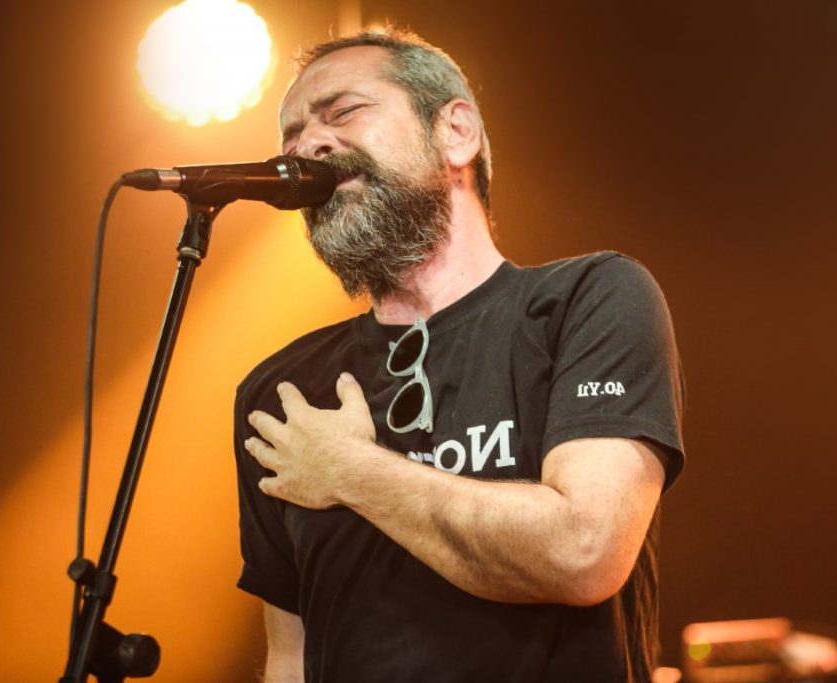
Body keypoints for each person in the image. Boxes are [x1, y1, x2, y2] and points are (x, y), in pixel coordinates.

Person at [233, 27, 685, 683]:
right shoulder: (282, 390)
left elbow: (585, 551)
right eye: (293, 136)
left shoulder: (587, 299)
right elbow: (290, 655)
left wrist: (352, 470)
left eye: (343, 111)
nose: (309, 146)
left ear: (457, 132)